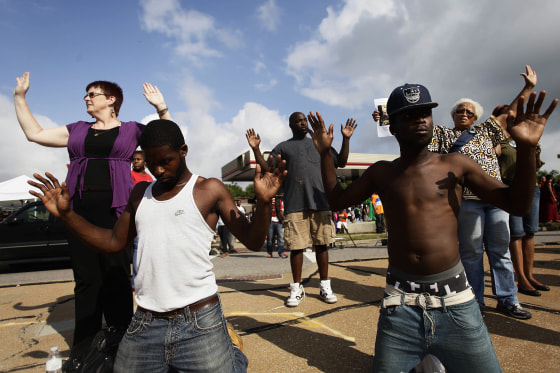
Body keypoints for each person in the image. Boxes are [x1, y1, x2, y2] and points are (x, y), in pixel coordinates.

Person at [307, 83, 557, 372]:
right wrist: (326, 153)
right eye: (410, 115)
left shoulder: (456, 165)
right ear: (394, 127)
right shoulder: (382, 172)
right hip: (401, 302)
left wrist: (526, 149)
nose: (420, 119)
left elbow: (517, 205)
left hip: (456, 299)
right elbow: (336, 200)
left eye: (425, 113)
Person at [28, 119, 287, 373]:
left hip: (199, 319)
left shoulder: (209, 190)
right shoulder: (140, 193)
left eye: (165, 161)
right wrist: (67, 216)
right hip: (145, 321)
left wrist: (263, 203)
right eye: (151, 164)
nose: (159, 170)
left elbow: (253, 241)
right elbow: (112, 243)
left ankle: (232, 353)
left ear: (183, 151)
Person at [13, 72, 171, 368]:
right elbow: (34, 134)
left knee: (116, 278)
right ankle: (83, 353)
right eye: (85, 94)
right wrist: (19, 97)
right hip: (78, 211)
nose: (87, 98)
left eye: (92, 93)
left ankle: (123, 347)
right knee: (86, 282)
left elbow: (167, 141)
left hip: (117, 211)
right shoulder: (76, 130)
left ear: (111, 100)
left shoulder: (132, 130)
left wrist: (161, 110)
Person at [427, 66, 540, 319]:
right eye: (459, 110)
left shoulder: (486, 131)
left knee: (500, 251)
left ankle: (508, 299)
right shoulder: (444, 135)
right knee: (472, 252)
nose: (464, 113)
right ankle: (475, 301)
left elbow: (511, 111)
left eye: (469, 111)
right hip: (467, 201)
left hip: (496, 199)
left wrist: (528, 87)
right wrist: (384, 117)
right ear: (453, 115)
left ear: (476, 117)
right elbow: (413, 129)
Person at [245, 113, 357, 307]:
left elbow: (342, 162)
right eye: (298, 121)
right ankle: (296, 288)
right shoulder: (283, 147)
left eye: (304, 120)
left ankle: (325, 286)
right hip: (294, 203)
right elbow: (268, 169)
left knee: (322, 245)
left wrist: (346, 139)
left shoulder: (318, 142)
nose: (303, 123)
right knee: (296, 248)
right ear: (291, 125)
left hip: (320, 202)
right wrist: (256, 150)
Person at [495, 105, 550, 297]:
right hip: (511, 187)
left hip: (532, 187)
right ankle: (521, 278)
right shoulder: (499, 140)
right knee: (516, 234)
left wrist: (533, 149)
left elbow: (536, 163)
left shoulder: (525, 136)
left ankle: (530, 274)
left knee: (530, 232)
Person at [130, 150, 154, 290]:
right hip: (136, 215)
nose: (136, 161)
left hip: (149, 216)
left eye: (138, 159)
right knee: (138, 248)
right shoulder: (130, 175)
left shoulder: (150, 178)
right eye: (134, 159)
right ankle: (136, 283)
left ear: (145, 161)